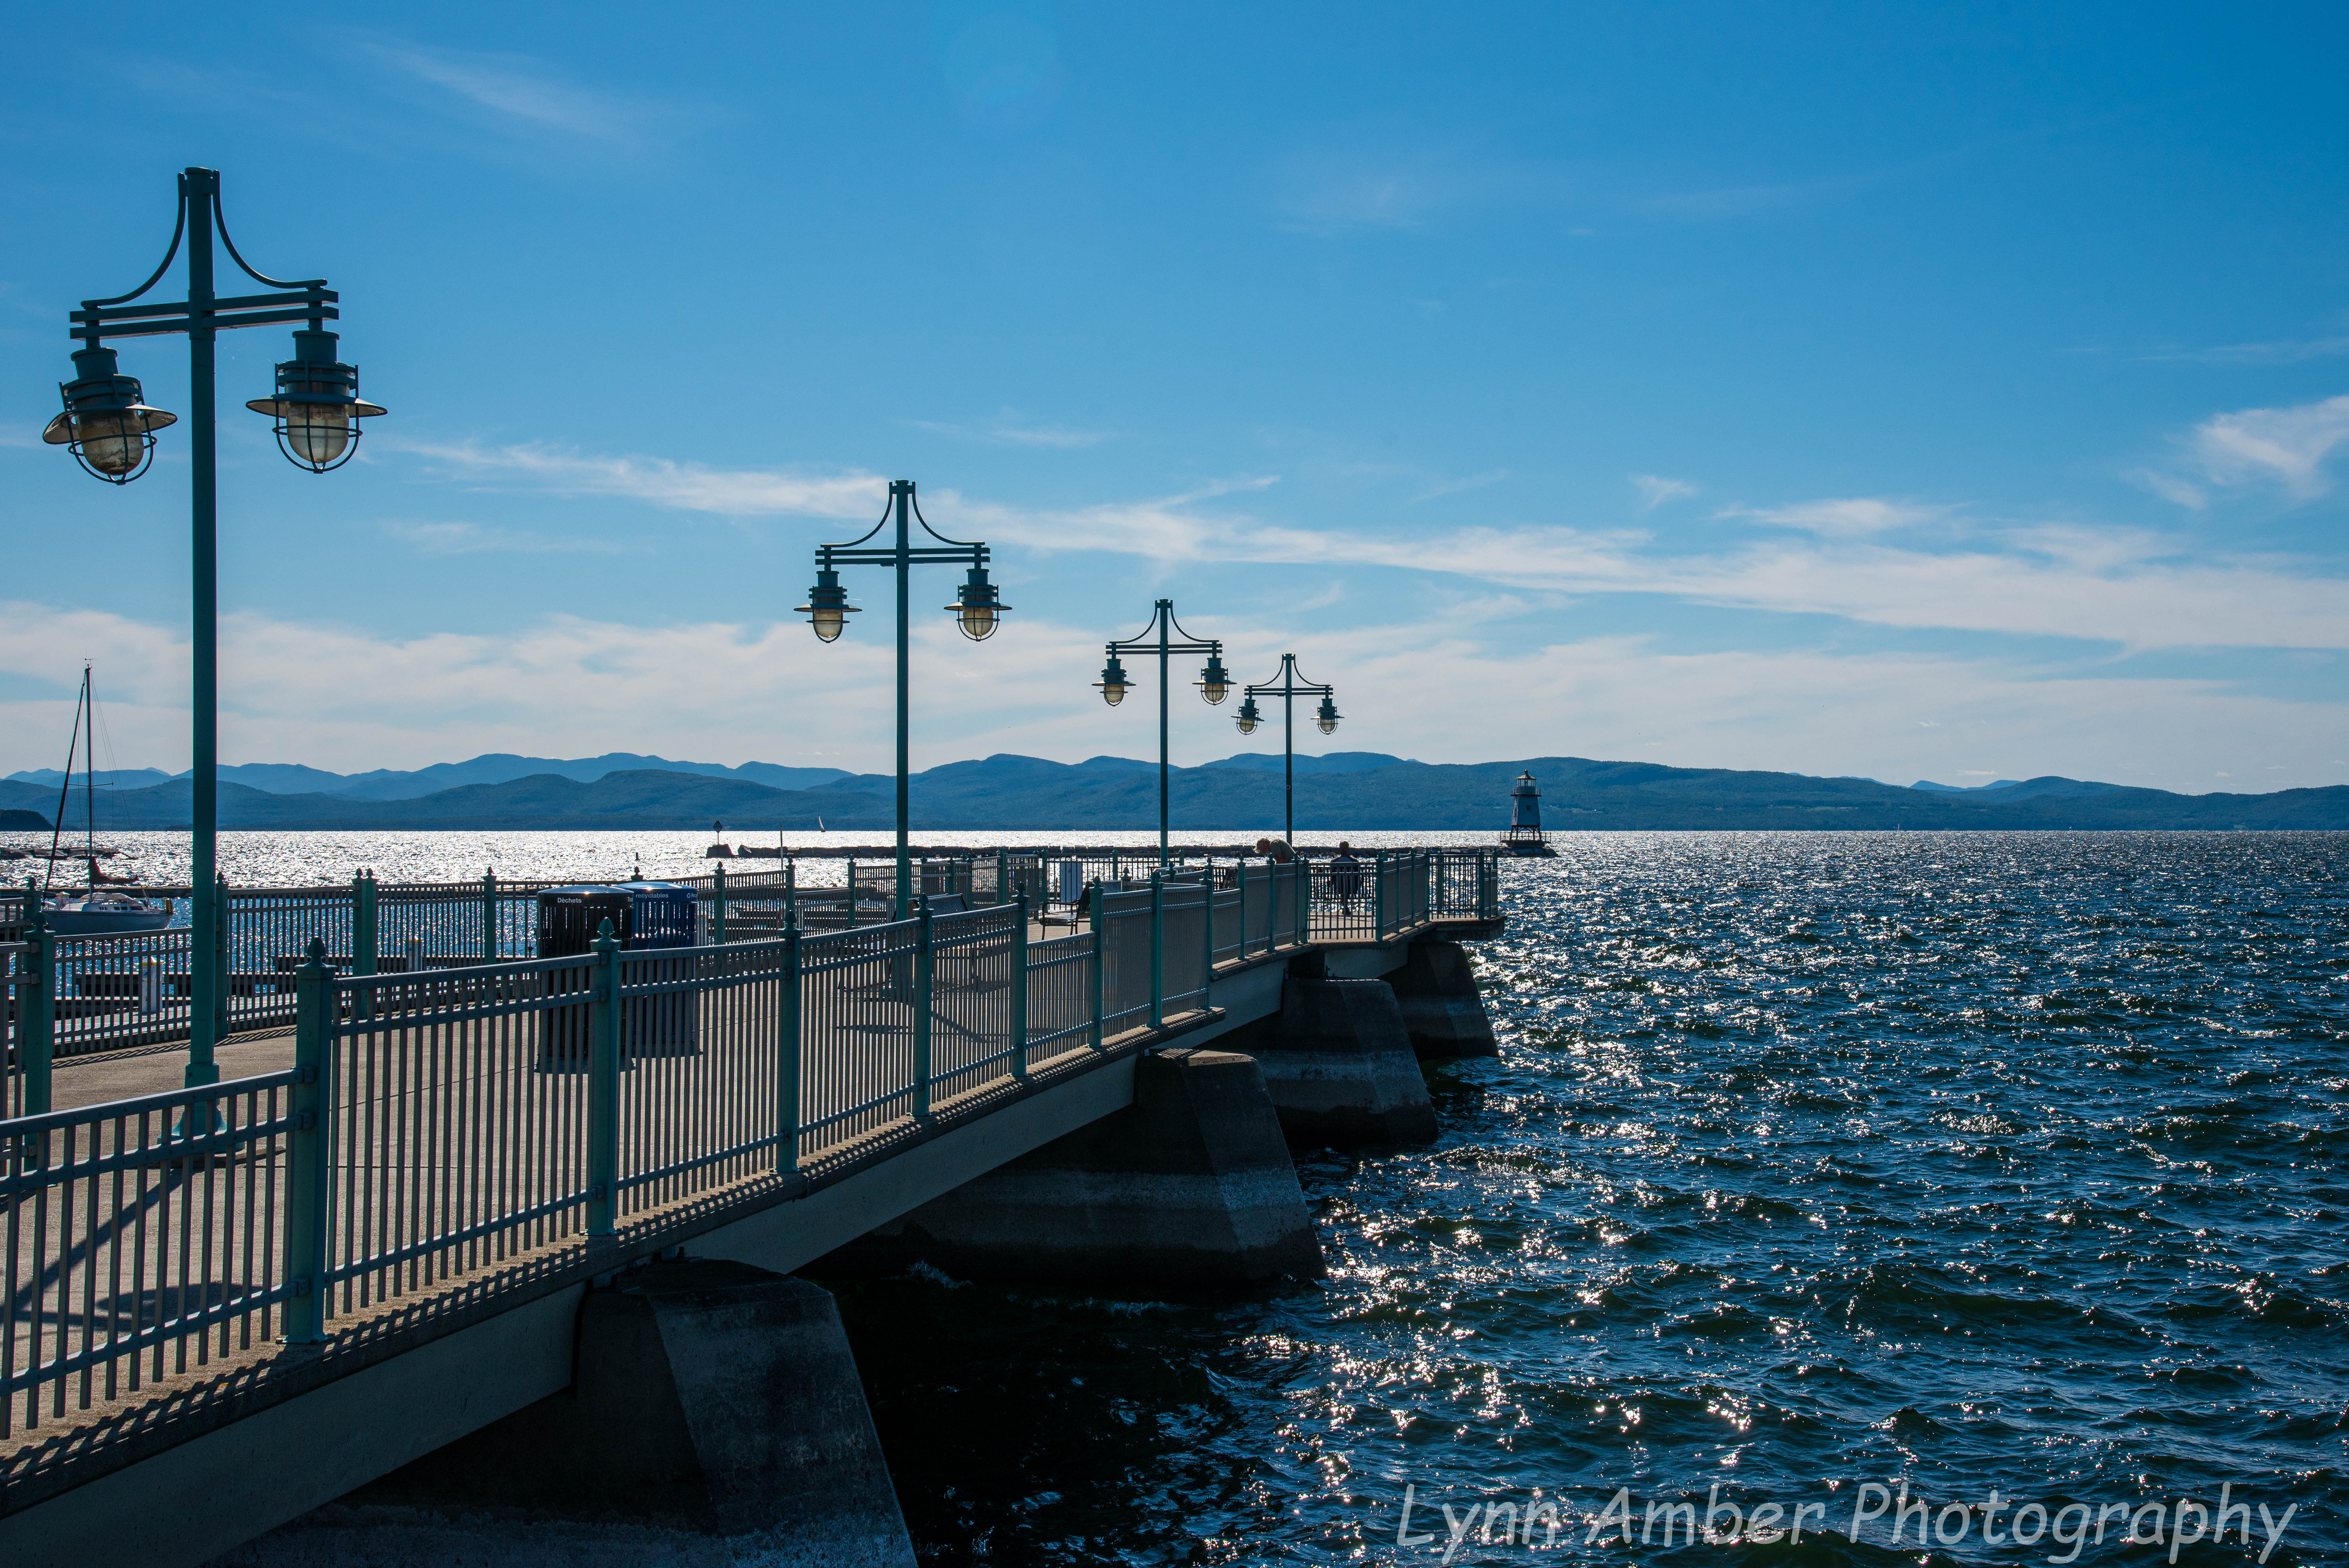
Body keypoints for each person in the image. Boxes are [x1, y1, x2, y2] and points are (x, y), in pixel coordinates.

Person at [1327, 840, 1364, 912]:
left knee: (1339, 883)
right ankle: (1346, 906)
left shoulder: (1334, 862)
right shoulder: (1355, 862)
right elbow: (1358, 877)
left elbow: (1332, 878)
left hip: (1338, 889)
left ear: (1340, 849)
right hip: (1352, 888)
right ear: (1348, 849)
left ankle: (1345, 905)